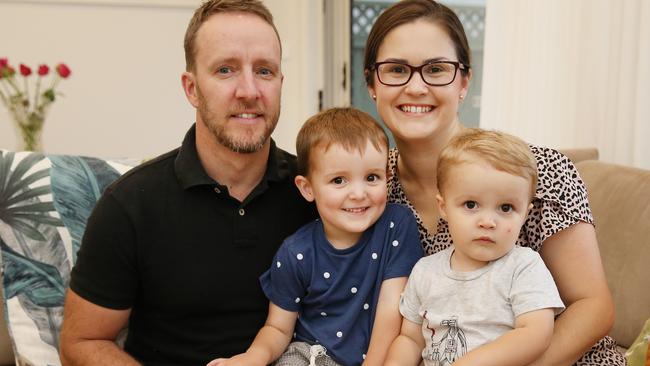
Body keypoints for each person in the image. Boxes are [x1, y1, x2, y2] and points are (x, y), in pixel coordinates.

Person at [363, 0, 623, 365]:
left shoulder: (541, 171)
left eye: (437, 69)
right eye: (396, 69)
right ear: (372, 84)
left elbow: (593, 307)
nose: (416, 86)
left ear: (464, 82)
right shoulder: (368, 190)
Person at [59, 1, 317, 365]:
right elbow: (82, 342)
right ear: (192, 88)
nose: (249, 90)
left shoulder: (319, 196)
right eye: (225, 70)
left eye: (264, 71)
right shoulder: (130, 205)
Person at [207, 107, 423, 366]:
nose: (358, 193)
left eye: (371, 177)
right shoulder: (296, 252)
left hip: (378, 357)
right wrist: (252, 358)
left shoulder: (396, 224)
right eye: (339, 180)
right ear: (307, 188)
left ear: (387, 178)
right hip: (312, 355)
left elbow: (391, 310)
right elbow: (278, 328)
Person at [386, 128, 565, 366]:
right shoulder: (425, 270)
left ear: (524, 215)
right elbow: (410, 338)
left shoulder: (523, 266)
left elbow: (536, 334)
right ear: (443, 207)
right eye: (471, 204)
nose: (488, 222)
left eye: (506, 208)